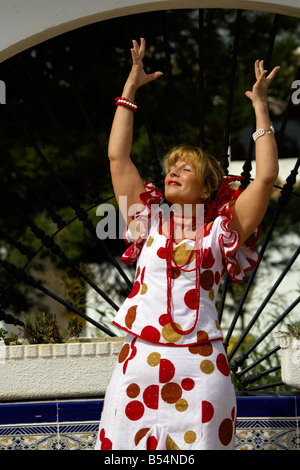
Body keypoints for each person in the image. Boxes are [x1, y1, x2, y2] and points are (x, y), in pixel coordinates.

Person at [94, 38, 279, 450]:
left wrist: (260, 107)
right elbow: (117, 159)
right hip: (139, 365)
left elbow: (265, 178)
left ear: (208, 186)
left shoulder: (222, 232)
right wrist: (129, 91)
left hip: (201, 369)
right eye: (171, 166)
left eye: (186, 167)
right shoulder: (147, 221)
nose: (173, 171)